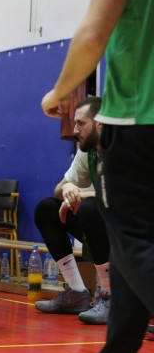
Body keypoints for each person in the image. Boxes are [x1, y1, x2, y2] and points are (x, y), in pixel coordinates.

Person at [41, 0, 154, 353]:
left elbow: (93, 34)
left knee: (135, 246)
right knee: (131, 257)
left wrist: (61, 91)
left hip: (138, 123)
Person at [34, 97, 111, 324]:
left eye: (81, 123)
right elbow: (59, 188)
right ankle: (77, 293)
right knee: (47, 208)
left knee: (89, 207)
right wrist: (68, 188)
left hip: (136, 234)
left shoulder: (123, 148)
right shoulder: (87, 151)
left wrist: (82, 195)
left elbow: (124, 197)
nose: (75, 130)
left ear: (99, 124)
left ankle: (110, 297)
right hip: (109, 228)